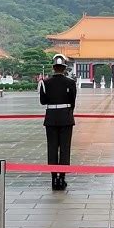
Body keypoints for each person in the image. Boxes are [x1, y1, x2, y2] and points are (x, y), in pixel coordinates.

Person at [39, 54, 77, 190]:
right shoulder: (71, 83)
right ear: (64, 68)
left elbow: (43, 101)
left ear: (53, 67)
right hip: (66, 117)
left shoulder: (45, 82)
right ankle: (62, 178)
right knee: (65, 149)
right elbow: (73, 101)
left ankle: (54, 178)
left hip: (50, 118)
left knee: (52, 148)